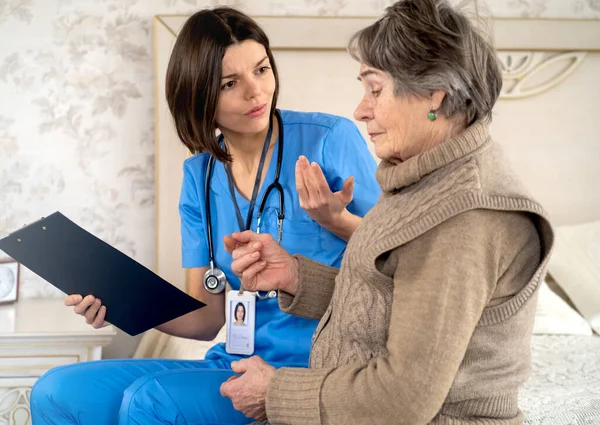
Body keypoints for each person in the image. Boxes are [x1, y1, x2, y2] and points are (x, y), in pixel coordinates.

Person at [29, 7, 380, 425]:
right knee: (56, 390)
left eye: (262, 69)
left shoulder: (330, 140)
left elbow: (396, 262)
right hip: (234, 361)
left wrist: (336, 221)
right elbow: (207, 316)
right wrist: (120, 302)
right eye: (231, 83)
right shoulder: (199, 176)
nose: (257, 92)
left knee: (150, 401)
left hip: (316, 369)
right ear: (198, 96)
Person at [219, 1, 554, 424]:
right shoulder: (427, 179)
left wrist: (276, 392)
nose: (360, 110)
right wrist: (297, 277)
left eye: (375, 89)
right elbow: (395, 304)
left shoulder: (466, 216)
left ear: (435, 94)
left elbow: (402, 398)